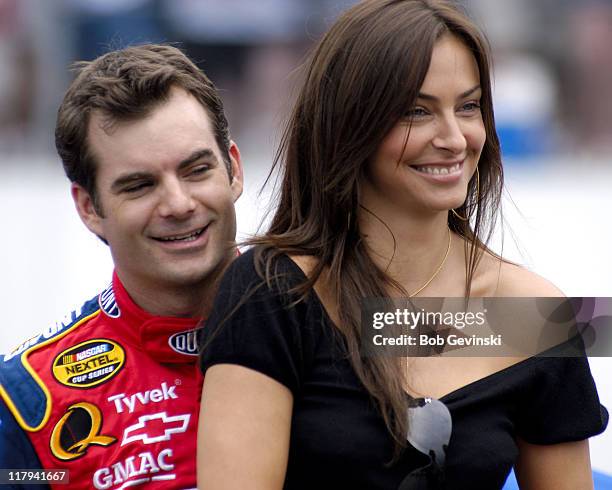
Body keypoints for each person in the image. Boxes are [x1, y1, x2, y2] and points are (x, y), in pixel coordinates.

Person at [197, 1, 607, 489]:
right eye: (417, 111)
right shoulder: (273, 295)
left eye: (469, 106)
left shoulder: (532, 316)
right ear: (350, 123)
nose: (454, 138)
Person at [0, 44, 243, 489]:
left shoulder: (351, 307)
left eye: (196, 170)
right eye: (140, 185)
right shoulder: (22, 397)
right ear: (89, 207)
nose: (178, 203)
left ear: (233, 169)